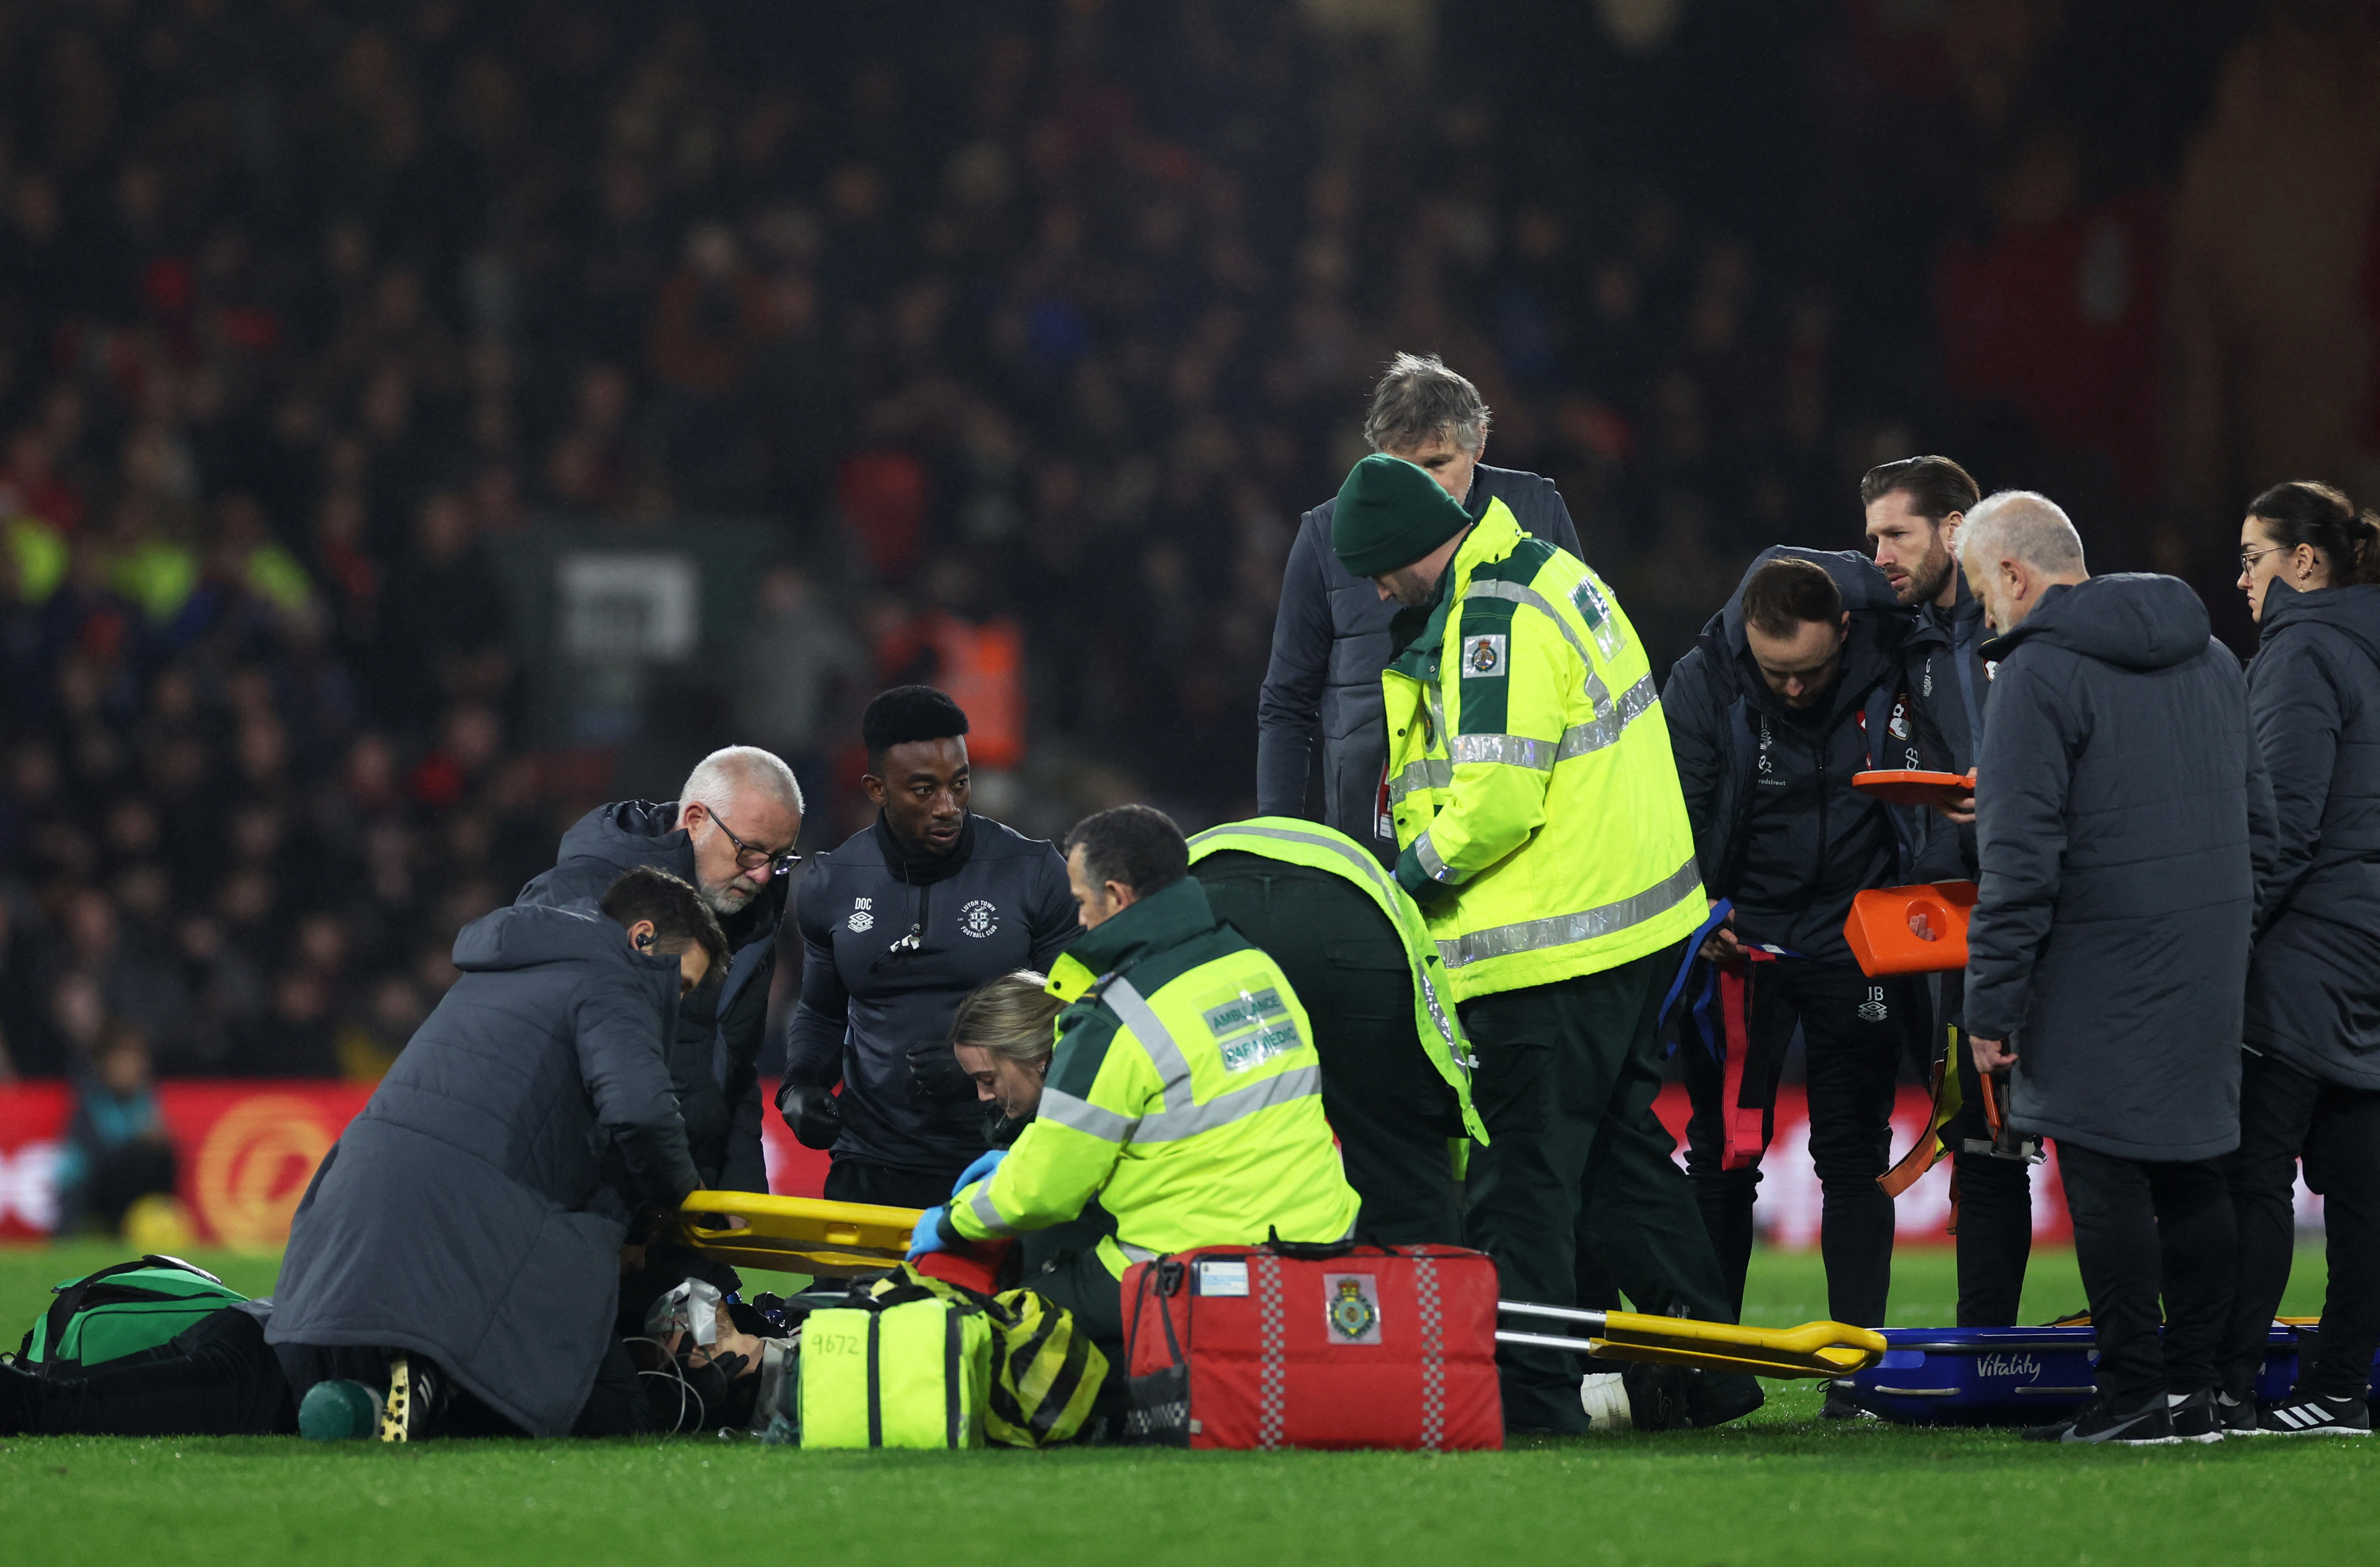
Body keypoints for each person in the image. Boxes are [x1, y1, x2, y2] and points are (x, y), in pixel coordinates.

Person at [1332, 451, 1758, 1434]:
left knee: (1519, 1182)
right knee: (1618, 1167)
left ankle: (1530, 1397)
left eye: (1376, 568)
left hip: (1542, 945)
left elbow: (1493, 805)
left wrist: (1395, 886)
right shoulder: (1545, 574)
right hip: (1621, 929)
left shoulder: (1493, 619)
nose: (1375, 588)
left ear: (1402, 549)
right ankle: (1716, 1372)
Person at [1958, 491, 2273, 1446]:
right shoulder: (2213, 657)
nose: (1983, 615)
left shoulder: (2036, 676)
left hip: (2093, 957)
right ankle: (2203, 1394)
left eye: (1979, 593)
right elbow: (2258, 821)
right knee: (2193, 1174)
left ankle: (2131, 1394)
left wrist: (1989, 1004)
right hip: (2208, 955)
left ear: (2013, 575)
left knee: (2102, 1177)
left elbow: (2017, 866)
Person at [267, 867, 728, 1440]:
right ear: (641, 938)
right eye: (679, 983)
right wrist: (684, 1201)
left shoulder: (506, 967)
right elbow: (641, 1111)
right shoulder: (615, 972)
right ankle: (442, 1377)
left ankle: (407, 1386)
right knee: (615, 1417)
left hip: (351, 1220)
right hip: (465, 1222)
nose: (675, 1004)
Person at [911, 805, 1361, 1376]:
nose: (1078, 921)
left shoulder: (1115, 1018)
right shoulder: (1253, 967)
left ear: (1117, 897)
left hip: (1194, 1267)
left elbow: (1044, 1192)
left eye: (1080, 902)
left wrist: (950, 1221)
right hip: (1321, 1248)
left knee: (1016, 1310)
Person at [1662, 549, 1945, 1407]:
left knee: (1853, 1158)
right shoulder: (1705, 679)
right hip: (1740, 947)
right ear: (1748, 638)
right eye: (1776, 671)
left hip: (1854, 944)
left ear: (1845, 635)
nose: (1791, 689)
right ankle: (1714, 1369)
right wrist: (1696, 910)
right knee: (1722, 1158)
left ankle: (1854, 1375)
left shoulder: (1897, 662)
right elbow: (1669, 807)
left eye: (1811, 672)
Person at [1258, 353, 1583, 867]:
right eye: (1403, 468)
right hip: (1371, 832)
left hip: (1515, 827)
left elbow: (1580, 663)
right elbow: (1286, 704)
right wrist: (1279, 851)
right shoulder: (1324, 537)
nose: (1420, 488)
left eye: (1436, 464)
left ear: (1478, 445)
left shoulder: (1535, 508)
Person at [778, 687, 1077, 1207]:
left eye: (960, 785)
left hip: (1000, 1159)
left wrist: (986, 1061)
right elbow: (821, 1013)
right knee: (839, 1295)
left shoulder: (1032, 871)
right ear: (876, 788)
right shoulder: (832, 881)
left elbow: (1075, 1013)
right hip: (870, 1164)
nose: (948, 807)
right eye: (923, 790)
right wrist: (800, 1084)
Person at [2220, 480, 2380, 1437]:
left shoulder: (2303, 648)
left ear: (2302, 562)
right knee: (2363, 1187)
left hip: (2301, 949)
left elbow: (2275, 824)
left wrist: (2223, 941)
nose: (2240, 581)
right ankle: (2337, 1387)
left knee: (2251, 1175)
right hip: (2367, 948)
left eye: (2250, 558)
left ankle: (2224, 1385)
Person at [1862, 454, 2034, 1329]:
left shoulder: (2031, 626)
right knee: (1985, 1140)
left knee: (2117, 1145)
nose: (1880, 556)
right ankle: (1987, 1352)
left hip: (2062, 914)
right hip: (1973, 928)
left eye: (1897, 534)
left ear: (1958, 528)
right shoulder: (1912, 644)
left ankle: (2176, 1370)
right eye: (1873, 538)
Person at [516, 745, 803, 1196]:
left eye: (780, 858)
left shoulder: (753, 914)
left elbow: (736, 1064)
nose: (764, 875)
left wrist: (740, 1180)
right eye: (750, 852)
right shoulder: (580, 896)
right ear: (694, 820)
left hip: (687, 1191)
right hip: (595, 1193)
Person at [1188, 816, 1486, 1245]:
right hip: (1356, 917)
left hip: (1213, 916)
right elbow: (1432, 1033)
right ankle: (1426, 1294)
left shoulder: (1161, 882)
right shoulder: (1367, 872)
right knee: (1390, 1151)